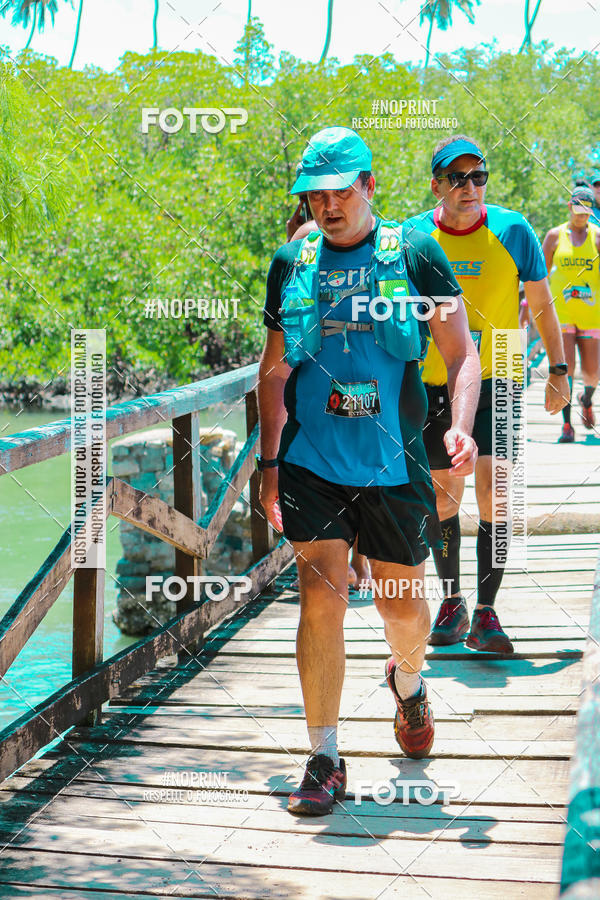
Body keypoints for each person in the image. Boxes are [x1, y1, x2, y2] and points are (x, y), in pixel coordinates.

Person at [258, 126, 480, 816]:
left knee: (401, 609)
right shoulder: (290, 264)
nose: (327, 206)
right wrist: (267, 464)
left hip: (395, 458)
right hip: (311, 458)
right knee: (320, 596)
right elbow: (273, 371)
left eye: (340, 191)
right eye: (315, 195)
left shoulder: (415, 254)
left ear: (370, 186)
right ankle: (324, 755)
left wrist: (462, 425)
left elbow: (464, 354)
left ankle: (408, 682)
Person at [403, 134, 569, 654]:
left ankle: (487, 612)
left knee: (496, 492)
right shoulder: (411, 236)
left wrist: (559, 370)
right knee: (442, 495)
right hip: (433, 380)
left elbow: (542, 304)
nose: (469, 187)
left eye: (478, 177)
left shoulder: (513, 230)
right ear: (437, 185)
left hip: (499, 369)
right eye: (457, 178)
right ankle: (451, 600)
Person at [542, 185, 600, 441]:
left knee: (592, 372)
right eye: (578, 209)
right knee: (566, 368)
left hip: (591, 313)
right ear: (569, 207)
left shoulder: (597, 237)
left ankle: (586, 399)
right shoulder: (554, 236)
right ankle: (567, 426)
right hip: (561, 311)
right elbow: (539, 276)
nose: (582, 215)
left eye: (587, 210)